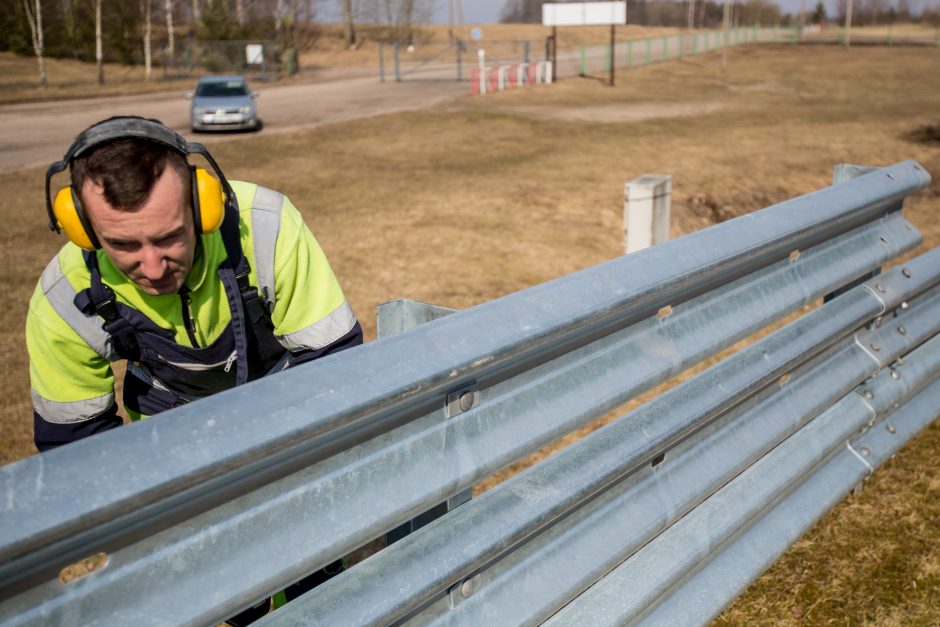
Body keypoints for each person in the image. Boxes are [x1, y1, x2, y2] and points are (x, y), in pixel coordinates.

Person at [27, 116, 362, 623]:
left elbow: (334, 369)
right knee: (226, 586)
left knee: (315, 571)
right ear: (82, 227)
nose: (154, 267)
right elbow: (77, 449)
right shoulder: (63, 299)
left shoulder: (264, 224)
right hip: (168, 442)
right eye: (124, 246)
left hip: (287, 411)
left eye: (169, 238)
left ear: (203, 205)